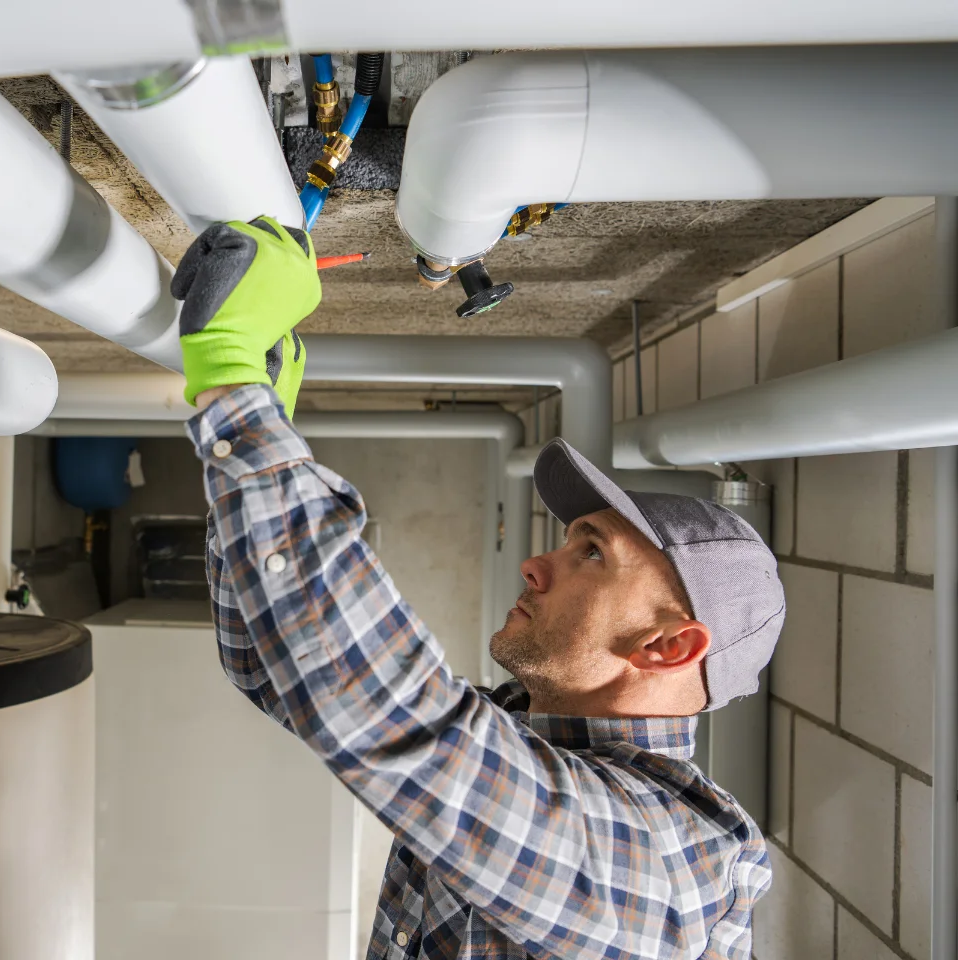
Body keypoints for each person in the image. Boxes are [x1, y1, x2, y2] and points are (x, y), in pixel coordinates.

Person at [172, 217, 785, 959]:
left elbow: (402, 724)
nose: (536, 565)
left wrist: (236, 388)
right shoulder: (524, 739)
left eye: (591, 555)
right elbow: (279, 669)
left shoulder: (674, 859)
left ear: (670, 644)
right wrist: (256, 426)